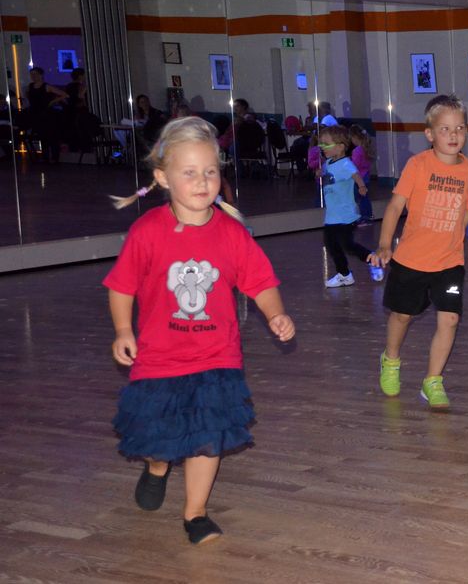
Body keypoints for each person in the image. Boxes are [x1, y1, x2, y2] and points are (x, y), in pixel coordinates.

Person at [104, 116, 295, 545]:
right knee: (160, 439)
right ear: (162, 178)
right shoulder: (146, 231)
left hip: (216, 357)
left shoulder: (231, 233)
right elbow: (121, 286)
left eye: (210, 171)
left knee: (208, 436)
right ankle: (157, 468)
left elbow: (261, 282)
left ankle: (196, 514)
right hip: (160, 358)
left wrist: (275, 313)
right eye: (189, 172)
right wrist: (122, 329)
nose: (203, 181)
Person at [368, 94, 468, 410]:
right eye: (445, 129)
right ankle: (391, 359)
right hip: (411, 260)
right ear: (430, 134)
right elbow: (395, 207)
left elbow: (466, 214)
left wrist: (453, 243)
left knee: (450, 319)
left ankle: (432, 380)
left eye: (459, 128)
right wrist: (385, 245)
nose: (454, 135)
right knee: (402, 315)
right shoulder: (417, 165)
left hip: (449, 262)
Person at [318, 125, 383, 287]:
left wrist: (361, 186)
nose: (322, 147)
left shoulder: (346, 164)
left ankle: (372, 259)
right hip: (332, 216)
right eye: (321, 144)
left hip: (345, 215)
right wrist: (319, 172)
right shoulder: (328, 163)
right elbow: (326, 173)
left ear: (340, 147)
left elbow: (355, 174)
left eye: (326, 144)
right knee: (331, 245)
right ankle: (344, 274)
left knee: (347, 245)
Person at [24, 66, 67, 162]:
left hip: (47, 114)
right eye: (32, 74)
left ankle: (54, 157)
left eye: (35, 74)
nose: (33, 76)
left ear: (41, 75)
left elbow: (64, 94)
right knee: (42, 136)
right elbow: (29, 99)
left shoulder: (46, 86)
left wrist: (52, 102)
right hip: (36, 114)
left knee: (51, 136)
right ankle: (45, 157)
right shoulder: (30, 87)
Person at [349, 124, 375, 224]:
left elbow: (354, 166)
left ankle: (363, 218)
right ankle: (368, 216)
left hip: (359, 179)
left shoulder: (357, 151)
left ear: (355, 137)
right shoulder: (366, 149)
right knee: (365, 198)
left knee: (359, 199)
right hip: (366, 177)